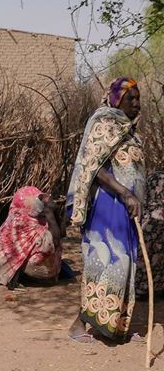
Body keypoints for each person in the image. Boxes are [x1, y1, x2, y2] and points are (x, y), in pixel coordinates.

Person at [66, 77, 145, 344]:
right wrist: (125, 193)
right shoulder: (105, 122)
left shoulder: (130, 128)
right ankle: (79, 325)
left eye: (137, 97)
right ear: (115, 98)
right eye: (130, 98)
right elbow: (93, 167)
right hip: (107, 205)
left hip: (127, 207)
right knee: (106, 263)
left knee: (126, 265)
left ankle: (116, 326)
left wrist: (135, 198)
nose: (136, 103)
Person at [0, 186, 63, 288]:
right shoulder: (20, 221)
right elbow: (53, 243)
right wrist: (50, 212)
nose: (40, 202)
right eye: (38, 199)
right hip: (25, 270)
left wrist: (54, 212)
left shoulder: (39, 220)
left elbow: (61, 235)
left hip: (35, 271)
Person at [136, 171, 164, 298]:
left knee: (144, 254)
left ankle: (140, 288)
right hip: (159, 219)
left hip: (146, 217)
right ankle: (154, 288)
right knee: (157, 256)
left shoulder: (152, 175)